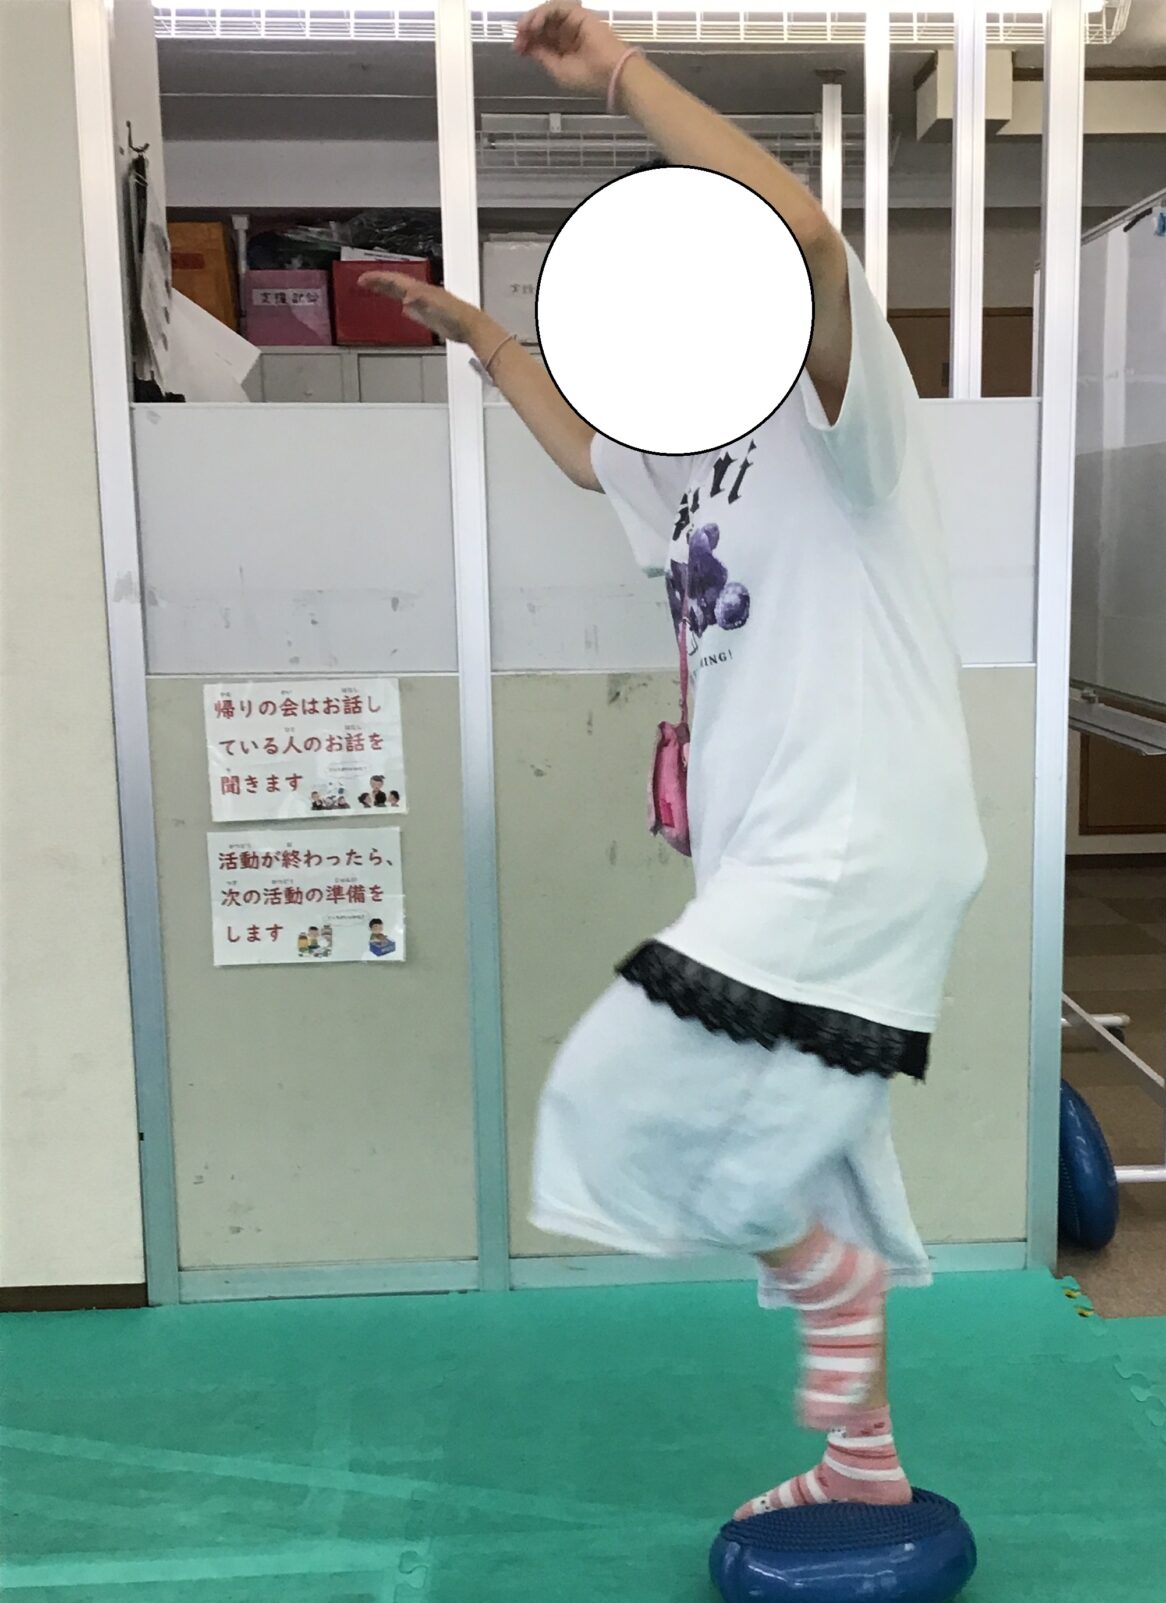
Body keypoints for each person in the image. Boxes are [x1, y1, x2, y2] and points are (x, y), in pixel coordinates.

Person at [363, 2, 986, 1521]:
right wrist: (482, 337)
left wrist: (624, 74)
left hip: (856, 830)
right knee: (813, 1146)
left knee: (612, 1093)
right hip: (772, 838)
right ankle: (864, 1464)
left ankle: (831, 1286)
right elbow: (588, 457)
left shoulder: (840, 416)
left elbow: (807, 237)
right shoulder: (687, 448)